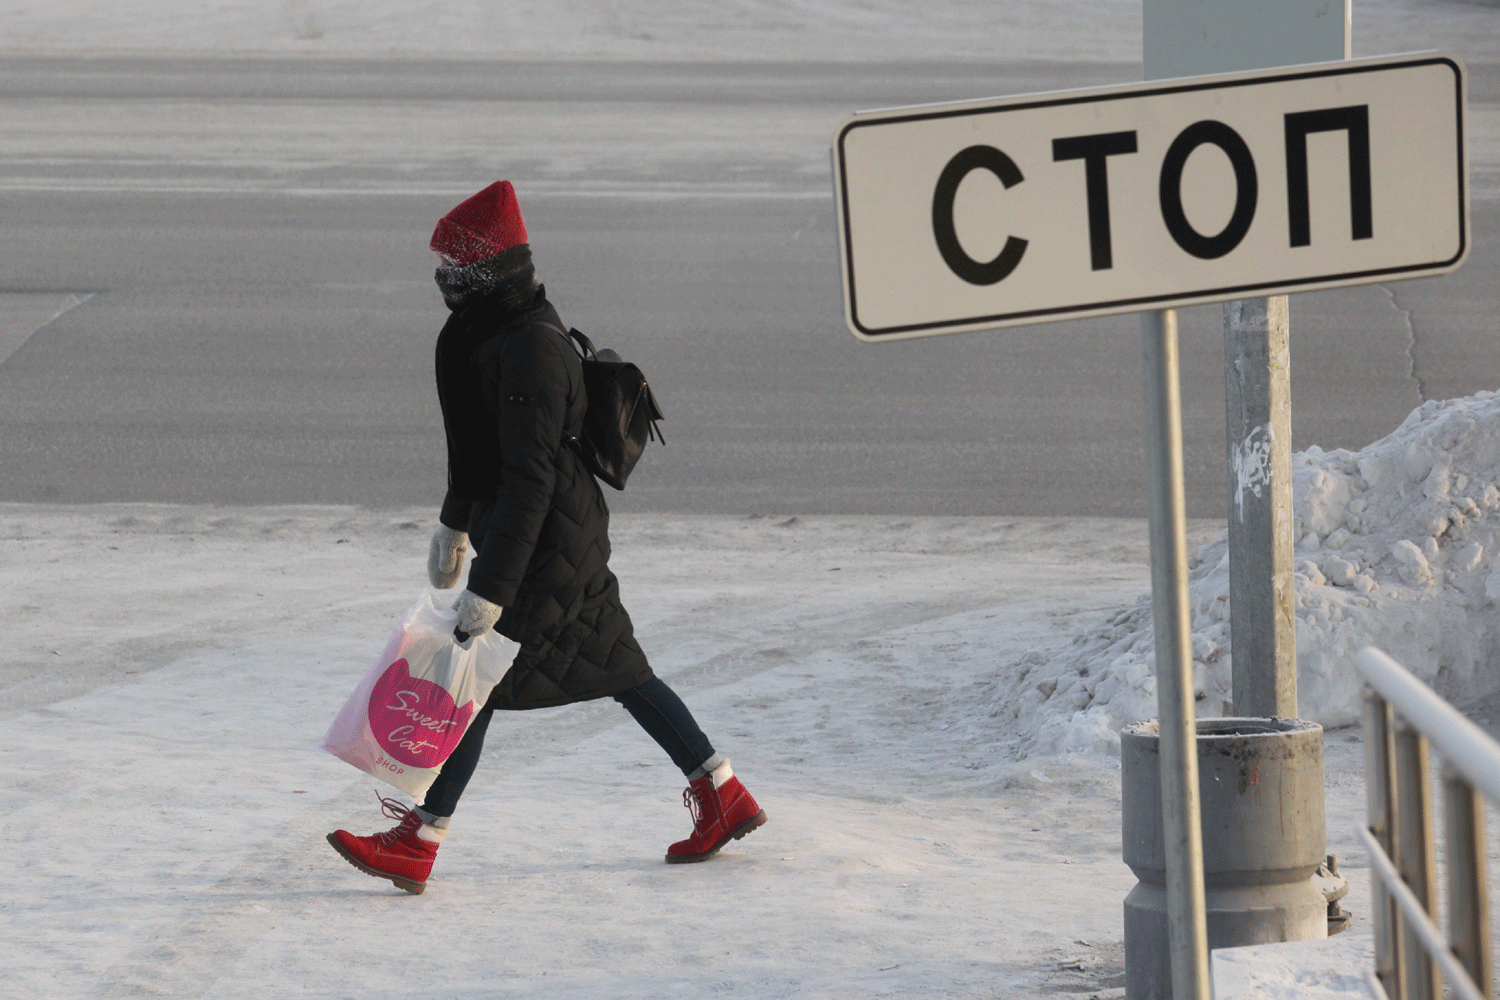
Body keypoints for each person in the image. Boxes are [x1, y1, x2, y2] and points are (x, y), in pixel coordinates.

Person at [326, 181, 766, 894]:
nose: (445, 282)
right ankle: (722, 792)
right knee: (620, 668)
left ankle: (421, 839)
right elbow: (479, 452)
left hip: (545, 540)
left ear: (490, 270)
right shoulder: (489, 329)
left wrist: (492, 591)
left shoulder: (528, 347)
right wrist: (454, 523)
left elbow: (528, 478)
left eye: (456, 269)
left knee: (477, 677)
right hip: (551, 532)